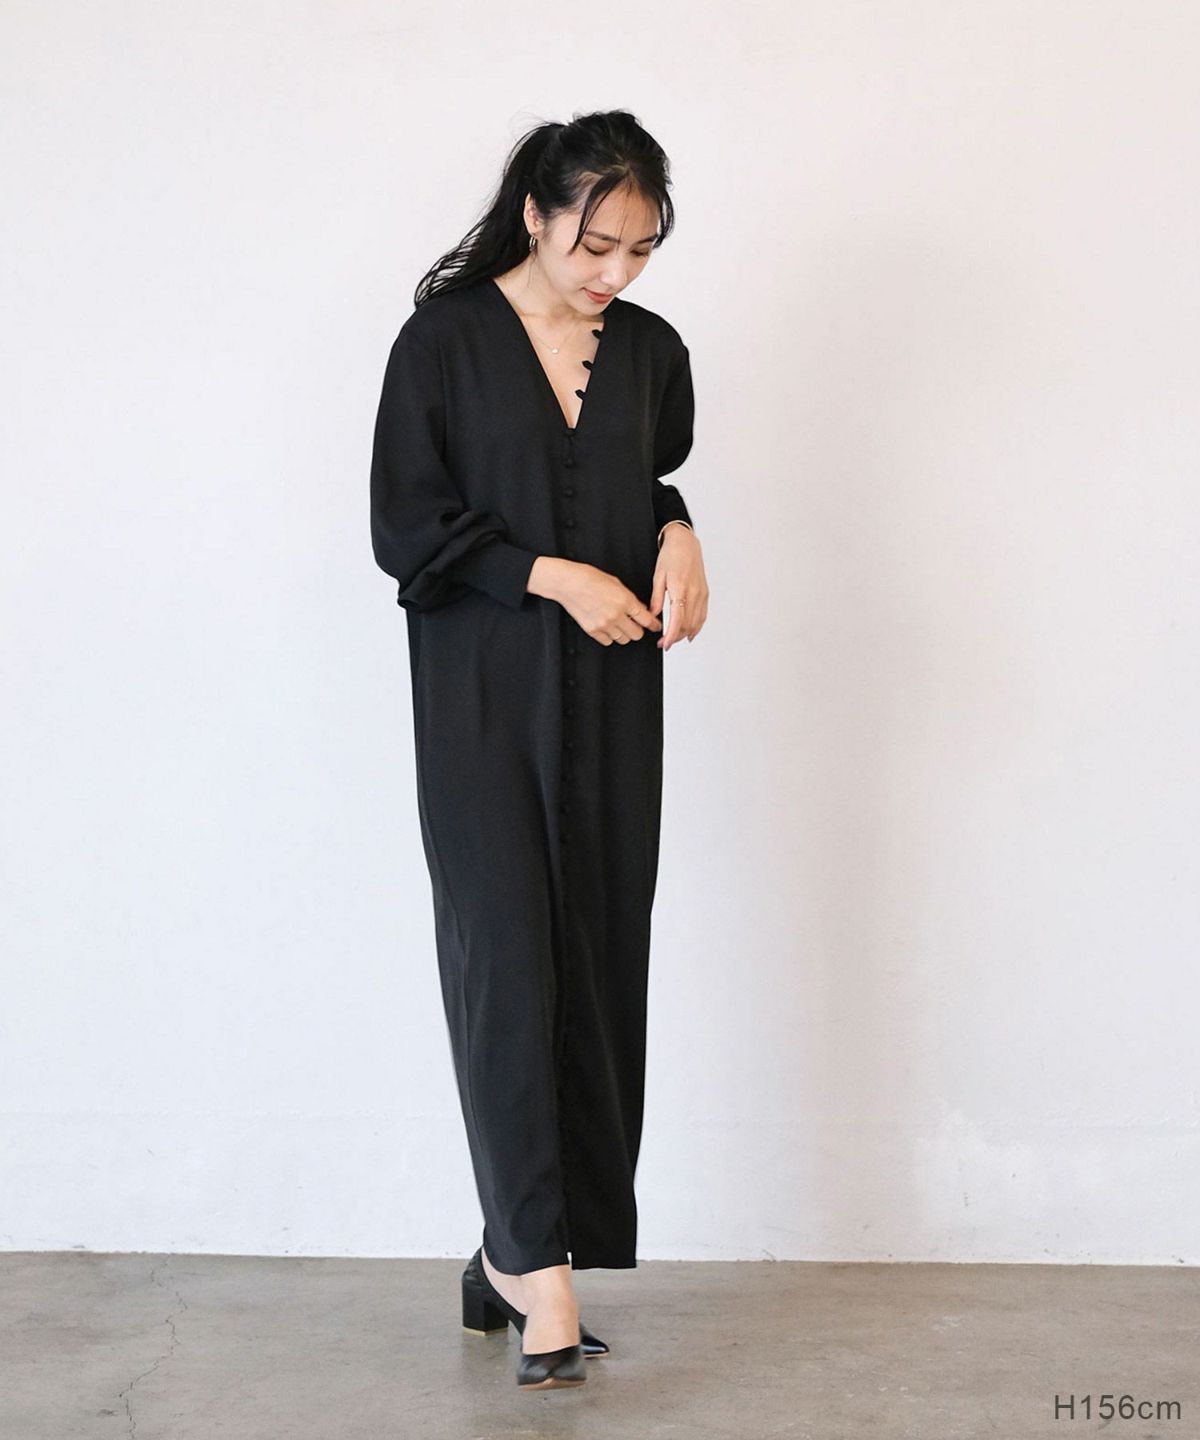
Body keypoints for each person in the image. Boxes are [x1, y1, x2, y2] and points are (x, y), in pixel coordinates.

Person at [369, 109, 709, 1390]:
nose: (614, 272)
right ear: (536, 213)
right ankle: (530, 1264)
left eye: (640, 248)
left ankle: (518, 1246)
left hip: (615, 697)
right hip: (484, 697)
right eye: (593, 244)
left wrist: (680, 532)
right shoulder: (443, 345)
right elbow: (409, 527)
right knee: (508, 959)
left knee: (595, 956)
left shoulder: (653, 353)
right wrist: (553, 576)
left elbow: (640, 478)